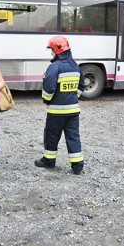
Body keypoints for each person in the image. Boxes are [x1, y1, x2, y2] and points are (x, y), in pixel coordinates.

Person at [35, 36, 85, 174]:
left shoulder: (54, 67)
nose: (51, 53)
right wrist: (73, 98)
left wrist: (47, 100)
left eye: (51, 50)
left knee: (51, 135)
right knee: (73, 136)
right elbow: (82, 86)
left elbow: (48, 88)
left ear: (57, 50)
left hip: (56, 112)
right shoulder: (75, 66)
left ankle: (49, 160)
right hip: (74, 110)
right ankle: (77, 166)